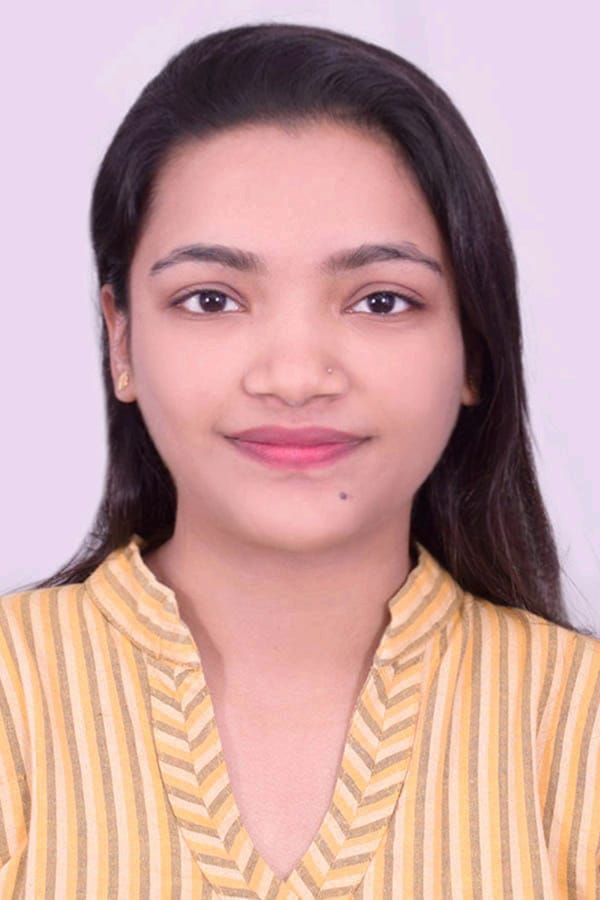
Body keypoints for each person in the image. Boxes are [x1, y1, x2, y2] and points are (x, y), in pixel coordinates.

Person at [0, 21, 598, 899]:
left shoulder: (576, 722)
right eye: (211, 299)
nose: (294, 376)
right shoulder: (12, 698)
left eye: (381, 300)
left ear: (474, 346)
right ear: (121, 341)